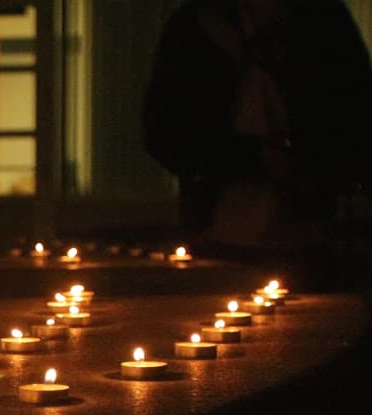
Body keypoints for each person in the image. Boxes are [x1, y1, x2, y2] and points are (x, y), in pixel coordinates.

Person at [143, 0, 372, 290]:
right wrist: (252, 159)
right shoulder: (195, 29)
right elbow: (164, 132)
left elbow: (356, 122)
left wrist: (307, 165)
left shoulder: (323, 24)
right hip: (217, 230)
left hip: (311, 235)